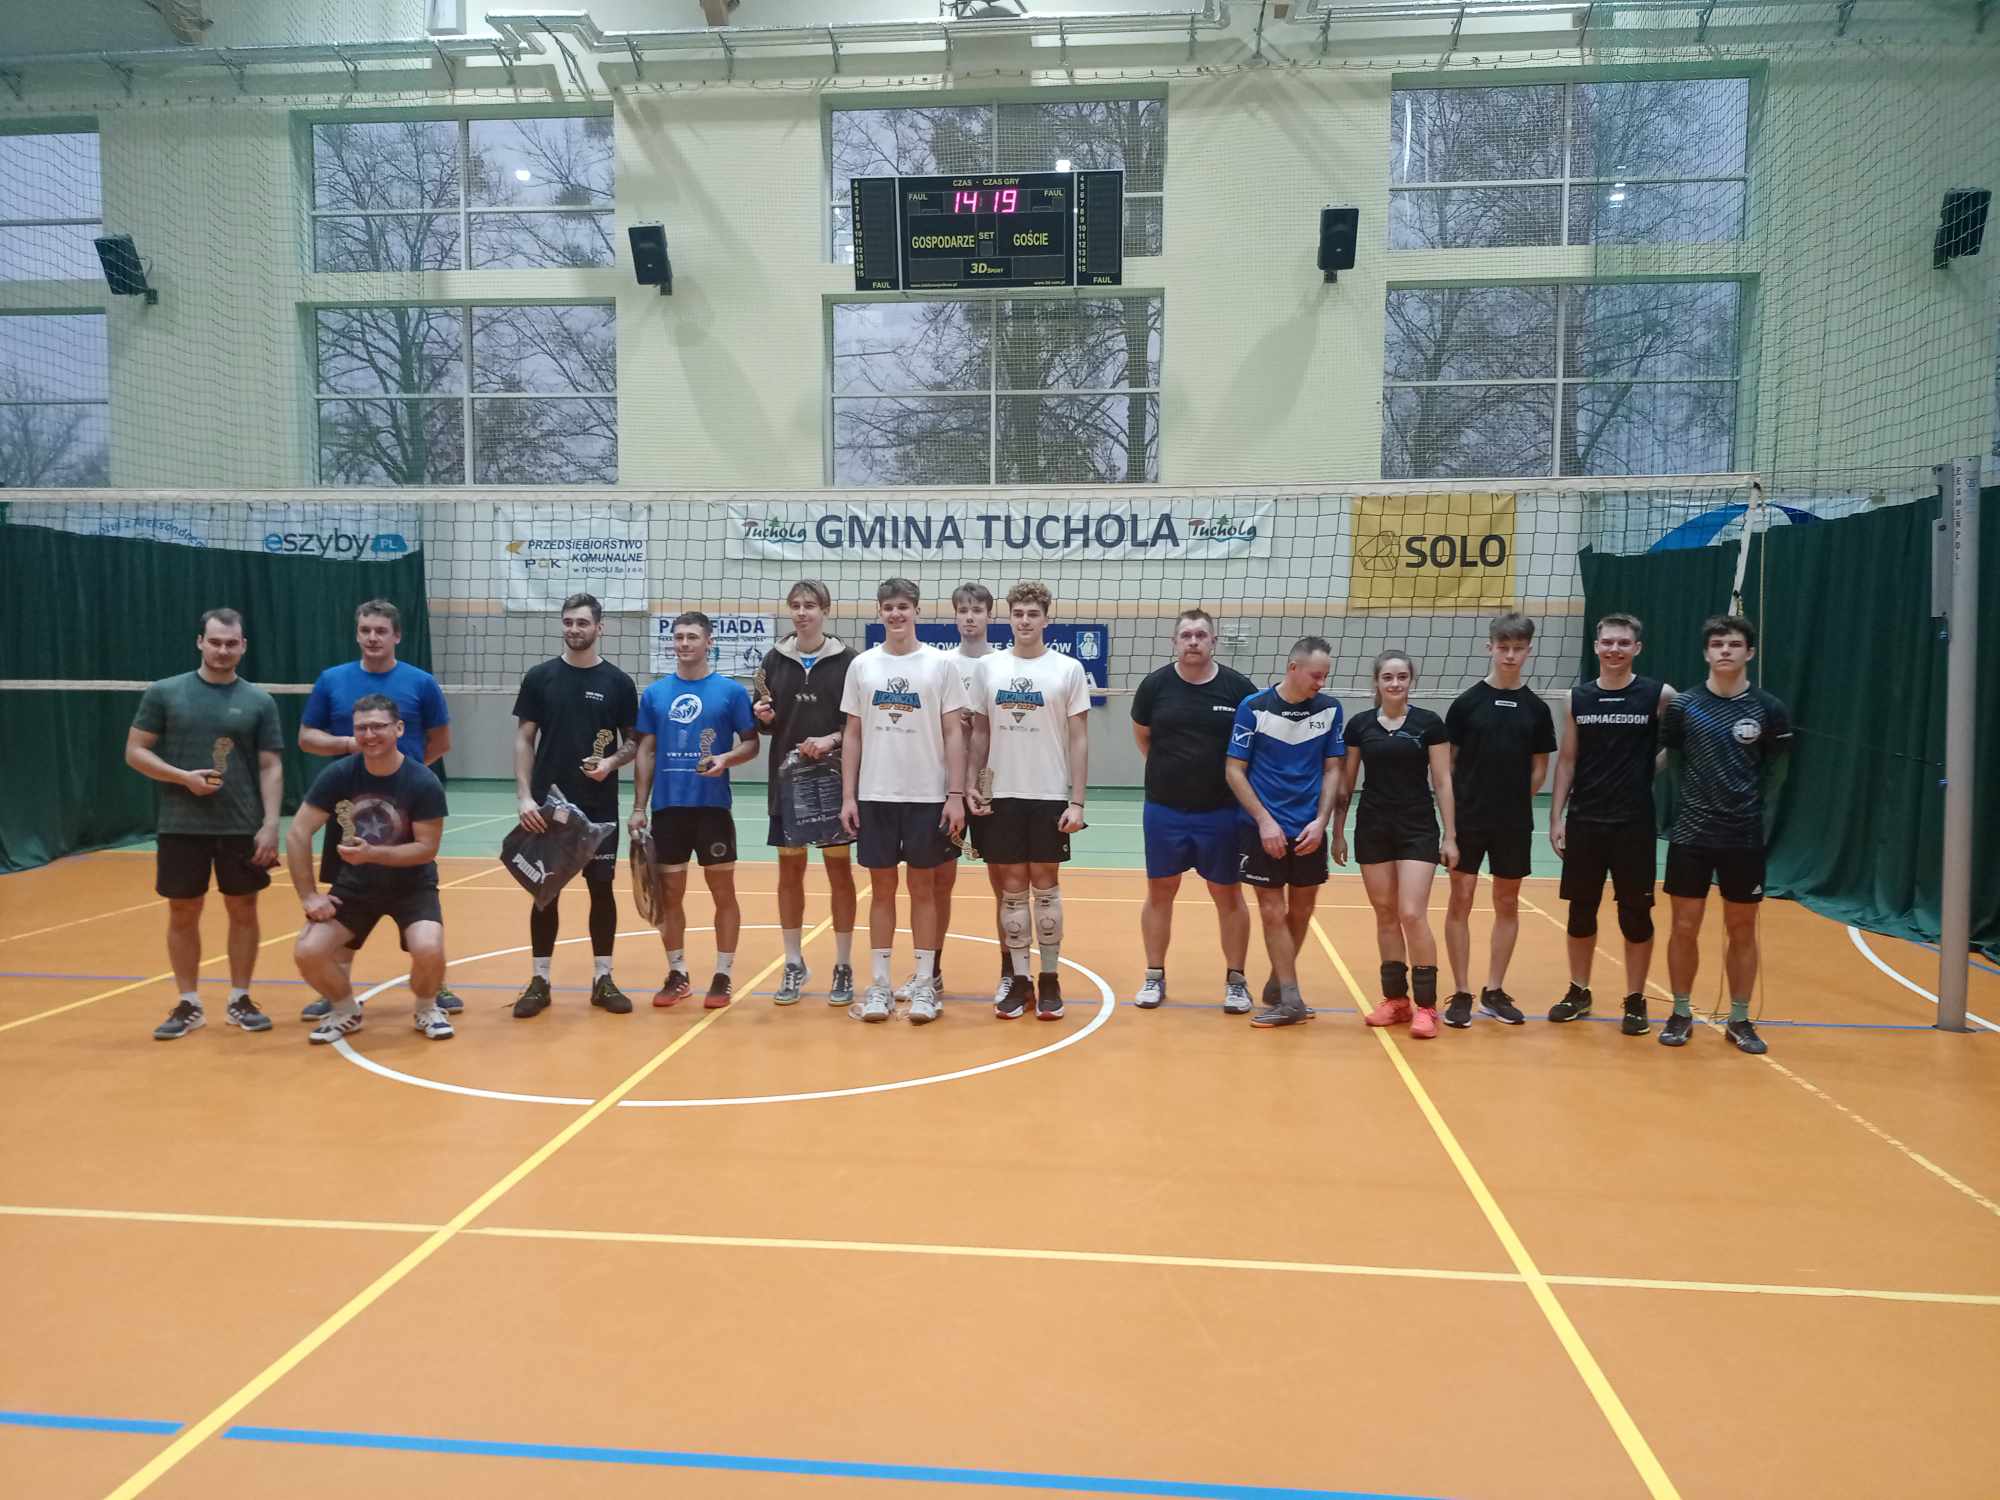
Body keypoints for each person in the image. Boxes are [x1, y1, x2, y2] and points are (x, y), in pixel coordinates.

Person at [124, 608, 285, 1040]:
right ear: (200, 642)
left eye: (231, 643)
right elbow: (135, 752)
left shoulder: (259, 701)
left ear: (243, 646)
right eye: (215, 642)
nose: (222, 650)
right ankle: (189, 1003)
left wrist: (271, 824)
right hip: (181, 825)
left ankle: (240, 998)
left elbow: (271, 765)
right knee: (183, 910)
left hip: (241, 825)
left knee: (243, 908)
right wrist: (183, 778)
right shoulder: (164, 693)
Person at [297, 599, 460, 1021]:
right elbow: (307, 737)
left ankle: (432, 988)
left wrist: (399, 776)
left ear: (396, 636)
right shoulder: (332, 680)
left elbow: (441, 741)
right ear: (357, 634)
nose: (372, 637)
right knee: (347, 893)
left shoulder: (421, 682)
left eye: (381, 631)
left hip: (406, 805)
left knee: (419, 901)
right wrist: (354, 748)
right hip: (350, 804)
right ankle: (338, 992)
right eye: (365, 630)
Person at [285, 695, 454, 1044]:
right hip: (356, 886)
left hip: (412, 886)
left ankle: (426, 1006)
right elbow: (298, 833)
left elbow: (426, 849)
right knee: (308, 951)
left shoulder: (422, 781)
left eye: (378, 726)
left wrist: (372, 854)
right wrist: (309, 896)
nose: (369, 734)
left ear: (399, 729)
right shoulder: (339, 775)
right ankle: (345, 1009)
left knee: (428, 948)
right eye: (361, 728)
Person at [1658, 614, 1791, 1054]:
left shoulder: (1769, 709)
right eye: (1717, 645)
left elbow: (1776, 773)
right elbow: (1676, 766)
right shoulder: (1684, 706)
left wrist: (1750, 811)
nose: (1725, 651)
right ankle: (1680, 1012)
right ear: (1706, 653)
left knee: (1742, 927)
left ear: (1749, 652)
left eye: (1733, 644)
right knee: (1683, 925)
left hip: (1743, 836)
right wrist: (1695, 804)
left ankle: (1739, 1018)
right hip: (1691, 834)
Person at [838, 578, 969, 1024]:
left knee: (924, 890)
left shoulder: (940, 665)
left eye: (903, 607)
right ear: (879, 612)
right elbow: (853, 735)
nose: (896, 614)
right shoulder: (862, 666)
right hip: (875, 795)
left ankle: (926, 985)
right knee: (881, 891)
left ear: (916, 611)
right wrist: (849, 796)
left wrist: (955, 794)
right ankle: (879, 986)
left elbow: (954, 733)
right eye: (888, 607)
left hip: (927, 796)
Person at [509, 592, 640, 1019]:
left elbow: (633, 742)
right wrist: (524, 796)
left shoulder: (618, 683)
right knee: (544, 893)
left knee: (601, 889)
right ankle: (539, 981)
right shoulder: (540, 677)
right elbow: (524, 739)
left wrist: (611, 763)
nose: (574, 629)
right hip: (549, 807)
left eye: (582, 623)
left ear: (600, 627)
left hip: (599, 806)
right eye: (568, 622)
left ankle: (603, 979)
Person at [967, 582, 1091, 1021]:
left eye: (1032, 614)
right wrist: (974, 784)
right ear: (1008, 618)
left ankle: (1050, 978)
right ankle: (1020, 982)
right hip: (1002, 794)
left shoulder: (1068, 669)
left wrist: (1077, 802)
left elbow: (1079, 738)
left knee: (1046, 886)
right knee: (1012, 889)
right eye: (1018, 613)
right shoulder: (988, 668)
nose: (1024, 621)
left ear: (1046, 619)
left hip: (1049, 794)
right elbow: (980, 732)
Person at [1548, 614, 1675, 1036]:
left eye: (1623, 643)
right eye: (1607, 642)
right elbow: (1567, 761)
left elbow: (1680, 744)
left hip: (1633, 824)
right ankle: (1578, 991)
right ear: (1596, 646)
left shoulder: (1659, 695)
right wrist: (1556, 817)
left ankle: (1636, 999)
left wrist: (1648, 770)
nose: (1614, 649)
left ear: (1637, 648)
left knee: (1635, 915)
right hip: (1586, 820)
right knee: (1581, 912)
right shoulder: (1578, 699)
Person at [1129, 608, 1257, 1014]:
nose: (1194, 642)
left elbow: (1252, 748)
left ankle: (1236, 981)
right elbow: (1144, 739)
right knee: (1160, 891)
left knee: (1228, 894)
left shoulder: (1238, 689)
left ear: (1213, 641)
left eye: (1201, 635)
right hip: (1164, 810)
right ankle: (1154, 975)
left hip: (1221, 812)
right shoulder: (1154, 687)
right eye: (1186, 635)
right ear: (1175, 641)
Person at [630, 612, 759, 1010]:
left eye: (692, 637)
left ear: (709, 642)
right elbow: (645, 751)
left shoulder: (730, 692)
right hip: (668, 809)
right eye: (679, 637)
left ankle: (723, 973)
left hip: (712, 809)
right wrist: (638, 807)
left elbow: (751, 743)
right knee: (670, 896)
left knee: (723, 892)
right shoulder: (655, 694)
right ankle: (678, 972)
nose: (684, 643)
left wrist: (726, 759)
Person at [1441, 612, 1557, 1029]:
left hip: (1513, 822)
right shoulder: (1466, 704)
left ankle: (1494, 990)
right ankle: (1461, 991)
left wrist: (1515, 801)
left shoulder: (1537, 709)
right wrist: (1452, 822)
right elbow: (1448, 766)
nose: (1510, 655)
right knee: (1461, 898)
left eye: (1518, 648)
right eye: (1503, 647)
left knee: (1507, 901)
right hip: (1469, 818)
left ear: (1529, 650)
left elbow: (1540, 767)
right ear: (1489, 647)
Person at [1224, 636, 1345, 1029]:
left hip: (1309, 826)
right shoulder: (1254, 707)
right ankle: (1291, 998)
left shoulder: (1329, 709)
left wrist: (1321, 821)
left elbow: (1333, 769)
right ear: (1293, 668)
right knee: (1272, 910)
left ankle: (1279, 982)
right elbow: (1234, 771)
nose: (1321, 683)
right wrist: (1264, 820)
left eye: (1325, 676)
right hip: (1264, 827)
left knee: (1303, 910)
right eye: (1316, 675)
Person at [1335, 650, 1457, 1040]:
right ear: (1377, 682)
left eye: (1402, 677)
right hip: (1373, 825)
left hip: (1417, 826)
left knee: (1411, 913)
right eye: (1387, 677)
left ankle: (1427, 1006)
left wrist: (1451, 835)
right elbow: (1345, 784)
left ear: (1411, 681)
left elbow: (1442, 782)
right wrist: (1338, 831)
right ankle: (1396, 1000)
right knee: (1385, 913)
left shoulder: (1429, 724)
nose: (1395, 683)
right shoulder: (1360, 725)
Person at [754, 579, 858, 1008]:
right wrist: (762, 717)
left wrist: (832, 739)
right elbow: (765, 723)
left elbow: (858, 724)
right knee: (790, 873)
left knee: (839, 873)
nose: (802, 612)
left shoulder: (849, 661)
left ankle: (843, 964)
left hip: (832, 783)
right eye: (795, 605)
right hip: (788, 784)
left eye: (810, 605)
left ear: (825, 611)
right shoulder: (774, 660)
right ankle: (794, 962)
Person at [899, 581, 1001, 1006]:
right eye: (963, 610)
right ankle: (931, 971)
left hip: (992, 786)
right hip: (946, 786)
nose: (970, 617)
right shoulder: (941, 664)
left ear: (990, 616)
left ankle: (1010, 974)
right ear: (954, 615)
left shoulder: (1002, 664)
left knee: (1005, 883)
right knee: (938, 881)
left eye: (977, 610)